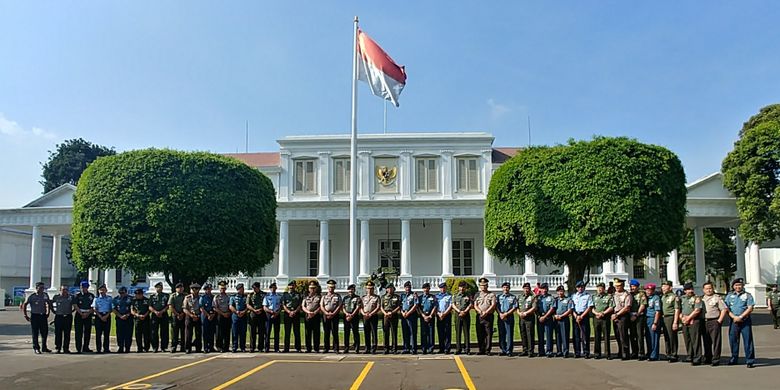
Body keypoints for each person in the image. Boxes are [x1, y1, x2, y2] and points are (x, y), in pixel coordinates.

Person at [724, 278, 756, 368]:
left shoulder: (748, 295)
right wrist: (734, 317)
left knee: (748, 340)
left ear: (742, 286)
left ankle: (750, 360)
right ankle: (734, 358)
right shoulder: (729, 296)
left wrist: (741, 317)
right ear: (733, 286)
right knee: (733, 340)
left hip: (745, 320)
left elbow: (750, 308)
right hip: (733, 320)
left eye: (740, 285)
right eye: (736, 285)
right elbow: (726, 308)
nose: (738, 287)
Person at [701, 281, 727, 366]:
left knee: (716, 341)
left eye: (710, 288)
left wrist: (719, 320)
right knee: (706, 341)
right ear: (703, 290)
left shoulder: (717, 298)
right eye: (706, 289)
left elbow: (724, 309)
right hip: (704, 322)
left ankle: (716, 359)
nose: (708, 290)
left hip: (714, 321)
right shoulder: (701, 298)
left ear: (713, 289)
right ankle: (708, 357)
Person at [22, 281, 51, 354]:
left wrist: (48, 312)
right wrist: (25, 315)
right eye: (40, 288)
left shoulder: (45, 295)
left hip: (43, 315)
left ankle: (44, 347)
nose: (42, 289)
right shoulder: (32, 296)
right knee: (35, 333)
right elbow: (25, 304)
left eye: (43, 288)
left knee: (44, 332)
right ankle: (36, 348)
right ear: (36, 288)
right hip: (35, 316)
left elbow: (48, 303)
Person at [679, 282, 703, 365]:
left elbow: (697, 310)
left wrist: (689, 318)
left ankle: (697, 357)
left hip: (694, 320)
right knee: (687, 339)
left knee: (695, 340)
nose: (690, 291)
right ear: (685, 291)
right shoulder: (682, 298)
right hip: (684, 320)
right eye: (688, 289)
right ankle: (690, 355)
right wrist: (682, 318)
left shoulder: (696, 298)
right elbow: (679, 309)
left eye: (691, 289)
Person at [571, 280, 594, 359]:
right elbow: (572, 307)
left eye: (582, 287)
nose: (580, 288)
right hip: (575, 316)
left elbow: (589, 307)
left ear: (584, 287)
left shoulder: (588, 296)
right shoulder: (573, 296)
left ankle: (586, 352)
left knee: (585, 335)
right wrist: (576, 316)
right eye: (578, 287)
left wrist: (581, 316)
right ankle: (577, 352)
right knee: (576, 335)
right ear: (576, 288)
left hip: (584, 316)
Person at [611, 279, 632, 360]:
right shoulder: (614, 294)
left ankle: (625, 353)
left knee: (623, 335)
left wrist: (617, 314)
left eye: (618, 286)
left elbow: (627, 308)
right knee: (617, 335)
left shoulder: (627, 294)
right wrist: (614, 315)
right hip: (615, 315)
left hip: (623, 315)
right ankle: (620, 351)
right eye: (616, 286)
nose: (617, 287)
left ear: (622, 286)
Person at [474, 277, 497, 356]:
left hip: (488, 316)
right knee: (480, 333)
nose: (483, 287)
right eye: (481, 285)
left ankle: (488, 350)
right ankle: (481, 349)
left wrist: (486, 312)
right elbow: (475, 305)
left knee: (488, 333)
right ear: (479, 286)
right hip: (479, 316)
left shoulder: (491, 294)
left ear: (487, 286)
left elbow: (493, 304)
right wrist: (480, 311)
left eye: (485, 285)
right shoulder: (477, 295)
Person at [660, 280, 681, 362]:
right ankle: (668, 353)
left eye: (665, 286)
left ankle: (674, 354)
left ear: (670, 287)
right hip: (664, 317)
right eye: (662, 286)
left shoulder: (674, 297)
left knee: (672, 336)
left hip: (671, 317)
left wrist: (675, 321)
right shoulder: (663, 296)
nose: (663, 288)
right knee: (666, 337)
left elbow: (677, 309)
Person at [592, 282, 614, 360]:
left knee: (606, 336)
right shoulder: (594, 297)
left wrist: (603, 313)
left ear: (604, 289)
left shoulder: (608, 297)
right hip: (596, 318)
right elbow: (592, 307)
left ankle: (607, 353)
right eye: (598, 288)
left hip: (605, 318)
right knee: (597, 336)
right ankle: (597, 353)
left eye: (601, 288)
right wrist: (596, 313)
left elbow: (611, 307)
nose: (599, 289)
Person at [51, 285, 75, 354]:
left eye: (66, 289)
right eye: (63, 289)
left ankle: (66, 348)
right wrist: (53, 311)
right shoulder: (56, 297)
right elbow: (50, 303)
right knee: (58, 333)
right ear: (60, 290)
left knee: (67, 333)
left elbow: (75, 305)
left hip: (68, 316)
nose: (65, 291)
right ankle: (58, 348)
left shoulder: (71, 297)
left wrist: (72, 311)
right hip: (59, 316)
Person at [321, 279, 342, 353]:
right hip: (326, 316)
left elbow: (339, 306)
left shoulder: (337, 296)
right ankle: (326, 348)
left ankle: (336, 348)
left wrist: (333, 313)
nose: (331, 289)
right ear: (327, 288)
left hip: (334, 316)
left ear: (334, 288)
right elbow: (321, 305)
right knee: (326, 332)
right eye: (330, 287)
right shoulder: (324, 296)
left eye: (332, 287)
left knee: (335, 332)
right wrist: (326, 313)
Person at [452, 281, 473, 355]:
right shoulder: (455, 295)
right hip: (458, 315)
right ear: (458, 287)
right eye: (461, 287)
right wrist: (459, 311)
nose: (462, 288)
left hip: (466, 314)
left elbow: (470, 304)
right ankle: (458, 349)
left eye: (464, 287)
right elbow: (453, 305)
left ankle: (467, 349)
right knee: (458, 332)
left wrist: (465, 311)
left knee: (466, 332)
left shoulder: (468, 295)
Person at [628, 279, 647, 360]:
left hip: (639, 317)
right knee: (632, 335)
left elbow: (642, 305)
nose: (632, 288)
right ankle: (634, 352)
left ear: (637, 287)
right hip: (630, 316)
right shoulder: (629, 295)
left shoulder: (641, 295)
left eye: (634, 286)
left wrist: (636, 315)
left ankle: (641, 352)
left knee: (639, 335)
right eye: (631, 286)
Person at [496, 281, 517, 357]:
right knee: (501, 334)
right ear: (502, 288)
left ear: (509, 288)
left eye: (507, 287)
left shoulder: (513, 297)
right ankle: (503, 349)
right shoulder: (499, 297)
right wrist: (500, 314)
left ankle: (509, 350)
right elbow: (497, 307)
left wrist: (506, 314)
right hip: (501, 316)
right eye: (504, 287)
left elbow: (514, 307)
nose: (506, 289)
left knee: (509, 334)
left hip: (509, 316)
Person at [74, 280, 95, 353]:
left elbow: (93, 306)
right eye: (82, 287)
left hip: (88, 314)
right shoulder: (77, 295)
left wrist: (87, 313)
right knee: (78, 332)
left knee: (87, 332)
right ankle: (78, 348)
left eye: (85, 287)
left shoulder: (91, 296)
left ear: (88, 287)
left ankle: (86, 347)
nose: (83, 288)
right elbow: (75, 305)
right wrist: (81, 313)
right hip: (79, 314)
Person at [148, 282, 170, 353]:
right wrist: (155, 312)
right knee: (154, 332)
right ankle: (155, 347)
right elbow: (150, 306)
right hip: (155, 315)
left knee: (164, 331)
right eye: (157, 287)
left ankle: (163, 347)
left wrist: (162, 311)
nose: (158, 288)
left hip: (163, 315)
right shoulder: (152, 296)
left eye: (160, 287)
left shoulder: (166, 296)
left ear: (162, 288)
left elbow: (168, 305)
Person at [536, 283, 556, 358]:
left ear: (547, 289)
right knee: (540, 335)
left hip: (548, 318)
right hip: (539, 318)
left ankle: (549, 351)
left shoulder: (551, 298)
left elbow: (552, 308)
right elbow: (535, 308)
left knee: (548, 335)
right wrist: (539, 316)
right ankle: (541, 351)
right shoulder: (538, 298)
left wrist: (545, 316)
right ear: (540, 289)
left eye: (545, 289)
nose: (544, 290)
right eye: (542, 289)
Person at [280, 281, 301, 353]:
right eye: (290, 286)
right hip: (287, 314)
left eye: (293, 286)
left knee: (297, 331)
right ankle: (286, 348)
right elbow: (283, 305)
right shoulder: (285, 295)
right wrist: (289, 312)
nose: (291, 287)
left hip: (296, 314)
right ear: (288, 287)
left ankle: (298, 348)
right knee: (287, 332)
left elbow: (300, 304)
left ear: (295, 286)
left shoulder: (298, 294)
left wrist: (294, 311)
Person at [517, 282, 537, 357]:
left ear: (530, 289)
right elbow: (517, 307)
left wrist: (526, 313)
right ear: (523, 289)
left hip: (529, 317)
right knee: (523, 333)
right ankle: (524, 349)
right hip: (521, 317)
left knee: (530, 334)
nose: (526, 290)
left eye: (527, 288)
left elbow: (534, 307)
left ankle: (530, 351)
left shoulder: (533, 297)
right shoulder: (520, 297)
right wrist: (519, 313)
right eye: (525, 288)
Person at [644, 283, 662, 361]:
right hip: (646, 318)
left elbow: (657, 311)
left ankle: (654, 355)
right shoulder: (646, 298)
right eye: (647, 290)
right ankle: (649, 352)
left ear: (653, 290)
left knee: (654, 337)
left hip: (653, 318)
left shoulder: (656, 298)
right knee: (648, 337)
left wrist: (655, 323)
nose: (648, 291)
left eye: (650, 290)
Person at [361, 281, 381, 354]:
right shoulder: (363, 297)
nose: (370, 290)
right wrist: (364, 314)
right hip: (365, 316)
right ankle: (367, 348)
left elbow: (378, 307)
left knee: (374, 332)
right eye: (368, 288)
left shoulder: (376, 297)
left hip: (373, 316)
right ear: (366, 289)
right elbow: (361, 307)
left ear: (373, 289)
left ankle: (374, 348)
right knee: (366, 332)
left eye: (371, 289)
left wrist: (371, 313)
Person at [302, 281, 322, 353]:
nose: (312, 289)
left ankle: (316, 348)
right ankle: (308, 348)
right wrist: (308, 312)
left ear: (316, 288)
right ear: (308, 289)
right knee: (308, 333)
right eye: (311, 288)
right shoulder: (306, 297)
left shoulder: (319, 297)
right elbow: (303, 306)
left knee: (316, 332)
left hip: (316, 316)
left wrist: (314, 312)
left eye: (314, 288)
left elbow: (320, 306)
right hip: (308, 316)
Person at [553, 285, 573, 358]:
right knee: (558, 336)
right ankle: (559, 351)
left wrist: (561, 316)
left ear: (564, 291)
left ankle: (565, 351)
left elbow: (569, 310)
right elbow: (553, 309)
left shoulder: (568, 299)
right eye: (558, 291)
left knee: (565, 336)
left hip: (564, 319)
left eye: (561, 291)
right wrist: (555, 315)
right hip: (556, 319)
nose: (560, 293)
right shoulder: (555, 300)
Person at [418, 282, 438, 355]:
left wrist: (430, 315)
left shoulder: (433, 297)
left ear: (429, 289)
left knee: (431, 333)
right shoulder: (420, 298)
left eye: (427, 288)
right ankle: (424, 348)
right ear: (422, 289)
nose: (426, 289)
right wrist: (423, 315)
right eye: (424, 288)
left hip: (430, 316)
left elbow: (435, 306)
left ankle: (431, 348)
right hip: (423, 317)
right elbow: (418, 307)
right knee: (423, 333)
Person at [113, 286, 134, 353]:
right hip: (119, 318)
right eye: (120, 293)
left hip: (129, 318)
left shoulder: (131, 298)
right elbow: (114, 309)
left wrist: (127, 315)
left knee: (128, 333)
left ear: (126, 292)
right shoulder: (116, 299)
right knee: (119, 333)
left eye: (123, 293)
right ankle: (120, 347)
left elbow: (133, 308)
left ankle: (127, 347)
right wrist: (120, 316)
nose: (121, 294)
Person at [93, 284, 113, 354]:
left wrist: (106, 316)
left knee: (106, 334)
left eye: (103, 290)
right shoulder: (96, 299)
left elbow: (111, 309)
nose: (102, 291)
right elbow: (94, 309)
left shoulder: (109, 298)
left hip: (107, 315)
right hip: (99, 316)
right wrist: (100, 316)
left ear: (106, 290)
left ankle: (106, 348)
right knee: (98, 334)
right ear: (98, 291)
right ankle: (98, 349)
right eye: (101, 290)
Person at [247, 282, 267, 353]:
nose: (254, 289)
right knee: (252, 332)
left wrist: (260, 309)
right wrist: (254, 310)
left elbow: (266, 304)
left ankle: (260, 347)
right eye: (253, 288)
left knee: (261, 332)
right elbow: (248, 305)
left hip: (261, 314)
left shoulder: (264, 295)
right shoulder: (250, 295)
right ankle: (252, 347)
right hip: (253, 315)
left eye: (255, 288)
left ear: (258, 288)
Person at [382, 283, 402, 354]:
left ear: (393, 289)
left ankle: (394, 349)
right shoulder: (383, 297)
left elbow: (399, 306)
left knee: (394, 333)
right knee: (386, 333)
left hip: (394, 315)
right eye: (388, 288)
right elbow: (381, 307)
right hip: (386, 316)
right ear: (386, 289)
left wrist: (392, 312)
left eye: (391, 288)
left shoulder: (397, 297)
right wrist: (385, 313)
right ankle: (386, 349)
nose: (390, 290)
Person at [263, 282, 283, 353]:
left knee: (276, 332)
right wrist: (271, 312)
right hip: (269, 314)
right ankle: (267, 348)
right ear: (270, 288)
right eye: (272, 288)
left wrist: (277, 313)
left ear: (276, 288)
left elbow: (280, 306)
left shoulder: (279, 296)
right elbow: (265, 307)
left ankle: (276, 348)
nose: (273, 289)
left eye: (274, 288)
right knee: (267, 332)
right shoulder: (267, 297)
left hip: (277, 314)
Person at [342, 284, 362, 354]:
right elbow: (343, 307)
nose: (351, 291)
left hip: (354, 317)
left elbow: (358, 307)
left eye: (352, 289)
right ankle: (346, 348)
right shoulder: (345, 298)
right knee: (346, 333)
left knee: (355, 332)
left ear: (354, 290)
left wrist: (352, 315)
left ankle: (357, 348)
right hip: (347, 317)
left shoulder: (358, 298)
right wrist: (347, 314)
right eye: (350, 290)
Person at [399, 281, 418, 354]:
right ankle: (406, 348)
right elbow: (400, 306)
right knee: (405, 332)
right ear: (404, 288)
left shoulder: (414, 295)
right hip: (404, 316)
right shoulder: (402, 296)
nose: (408, 289)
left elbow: (415, 305)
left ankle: (413, 349)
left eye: (409, 287)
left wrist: (408, 312)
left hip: (411, 316)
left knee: (412, 333)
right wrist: (403, 313)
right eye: (406, 287)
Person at [183, 283, 202, 354]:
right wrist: (191, 315)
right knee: (188, 333)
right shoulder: (187, 298)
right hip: (189, 316)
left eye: (196, 289)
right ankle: (188, 348)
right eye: (192, 289)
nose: (194, 291)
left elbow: (202, 308)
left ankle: (198, 348)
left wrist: (197, 316)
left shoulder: (200, 298)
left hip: (198, 316)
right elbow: (184, 309)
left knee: (198, 333)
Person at [230, 283, 249, 353]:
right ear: (238, 289)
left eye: (243, 288)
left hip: (243, 316)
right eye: (242, 289)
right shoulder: (233, 297)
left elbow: (248, 306)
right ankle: (234, 347)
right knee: (235, 332)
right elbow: (231, 306)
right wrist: (236, 312)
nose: (243, 290)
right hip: (235, 316)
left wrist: (244, 312)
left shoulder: (246, 297)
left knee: (243, 332)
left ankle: (242, 347)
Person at [168, 283, 186, 353]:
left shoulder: (185, 296)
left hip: (183, 315)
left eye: (181, 287)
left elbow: (187, 306)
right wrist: (177, 314)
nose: (180, 289)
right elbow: (170, 307)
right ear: (176, 289)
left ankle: (183, 346)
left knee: (183, 332)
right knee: (174, 332)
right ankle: (173, 347)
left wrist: (182, 314)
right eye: (178, 288)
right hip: (175, 316)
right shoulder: (173, 296)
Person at [214, 281, 232, 353]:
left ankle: (226, 347)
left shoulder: (228, 297)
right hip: (220, 315)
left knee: (227, 332)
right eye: (221, 288)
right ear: (219, 289)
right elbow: (215, 308)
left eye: (224, 288)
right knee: (219, 332)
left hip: (227, 315)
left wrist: (228, 313)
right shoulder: (216, 297)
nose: (223, 290)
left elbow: (230, 306)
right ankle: (219, 347)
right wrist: (222, 313)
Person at [131, 287, 150, 353]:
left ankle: (146, 348)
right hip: (137, 319)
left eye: (139, 294)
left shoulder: (147, 300)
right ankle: (139, 348)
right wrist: (137, 315)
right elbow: (132, 310)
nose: (137, 295)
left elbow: (149, 309)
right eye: (136, 294)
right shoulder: (133, 300)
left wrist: (144, 315)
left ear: (142, 294)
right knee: (138, 334)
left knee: (146, 334)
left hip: (146, 318)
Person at [435, 282, 453, 354]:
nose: (442, 289)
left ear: (446, 288)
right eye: (441, 288)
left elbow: (450, 306)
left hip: (447, 315)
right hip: (439, 315)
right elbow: (435, 306)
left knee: (447, 332)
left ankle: (447, 348)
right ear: (439, 288)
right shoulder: (436, 296)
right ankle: (441, 348)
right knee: (440, 332)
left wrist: (444, 314)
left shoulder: (449, 296)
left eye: (444, 288)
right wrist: (439, 314)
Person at [199, 283, 217, 353]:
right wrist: (208, 315)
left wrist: (212, 315)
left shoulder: (213, 297)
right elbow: (202, 308)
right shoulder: (202, 298)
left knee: (212, 332)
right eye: (207, 289)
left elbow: (215, 307)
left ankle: (211, 346)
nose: (209, 290)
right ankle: (205, 347)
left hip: (212, 315)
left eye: (210, 289)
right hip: (205, 316)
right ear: (205, 290)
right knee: (205, 332)